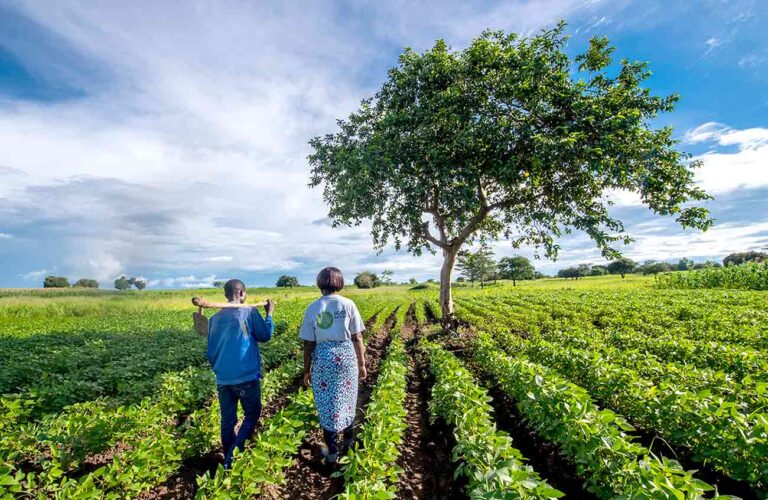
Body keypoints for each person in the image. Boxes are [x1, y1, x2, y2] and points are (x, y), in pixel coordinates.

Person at [300, 267, 367, 464]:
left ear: (319, 284)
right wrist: (362, 364)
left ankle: (331, 453)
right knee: (347, 400)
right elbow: (357, 338)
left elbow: (308, 344)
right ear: (340, 283)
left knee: (326, 405)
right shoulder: (348, 304)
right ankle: (347, 444)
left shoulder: (313, 308)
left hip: (324, 359)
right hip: (347, 358)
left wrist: (306, 370)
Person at [206, 279, 275, 469]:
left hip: (223, 379)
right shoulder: (249, 311)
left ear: (226, 295)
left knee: (227, 420)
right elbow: (265, 335)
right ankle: (231, 460)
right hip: (246, 377)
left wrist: (220, 370)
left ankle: (229, 454)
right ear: (243, 294)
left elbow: (210, 352)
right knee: (252, 414)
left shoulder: (214, 319)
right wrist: (269, 314)